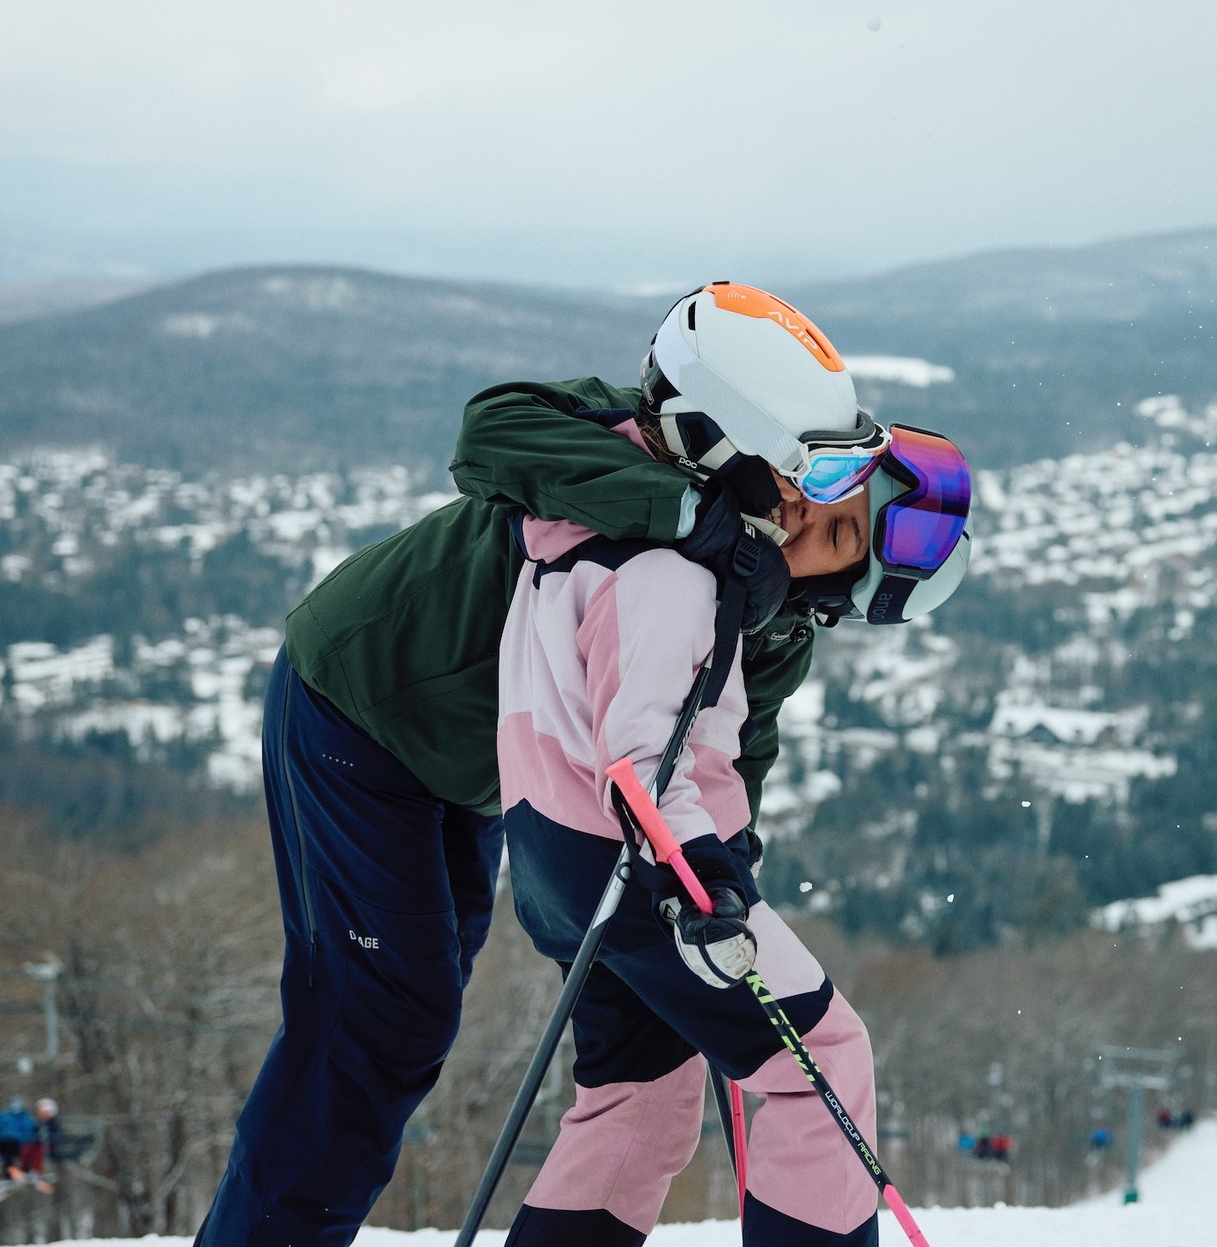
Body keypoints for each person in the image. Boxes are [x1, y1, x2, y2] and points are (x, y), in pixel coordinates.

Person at [195, 284, 834, 1244]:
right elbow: (490, 433)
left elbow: (721, 770)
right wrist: (680, 512)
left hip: (490, 763)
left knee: (424, 995)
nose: (806, 502)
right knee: (379, 1021)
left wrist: (724, 902)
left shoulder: (763, 607)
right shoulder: (609, 430)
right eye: (803, 474)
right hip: (363, 704)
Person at [496, 282, 972, 1244]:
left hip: (560, 856)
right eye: (825, 488)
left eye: (835, 505)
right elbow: (641, 762)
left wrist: (723, 848)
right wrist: (707, 878)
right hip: (643, 868)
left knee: (640, 1101)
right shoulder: (675, 574)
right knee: (824, 1062)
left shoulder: (606, 528)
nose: (813, 501)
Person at [0, 1098, 36, 1179]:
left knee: (9, 1152)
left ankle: (10, 1173)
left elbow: (28, 1133)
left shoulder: (25, 1118)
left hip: (16, 1144)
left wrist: (15, 1137)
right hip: (2, 1142)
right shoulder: (5, 1116)